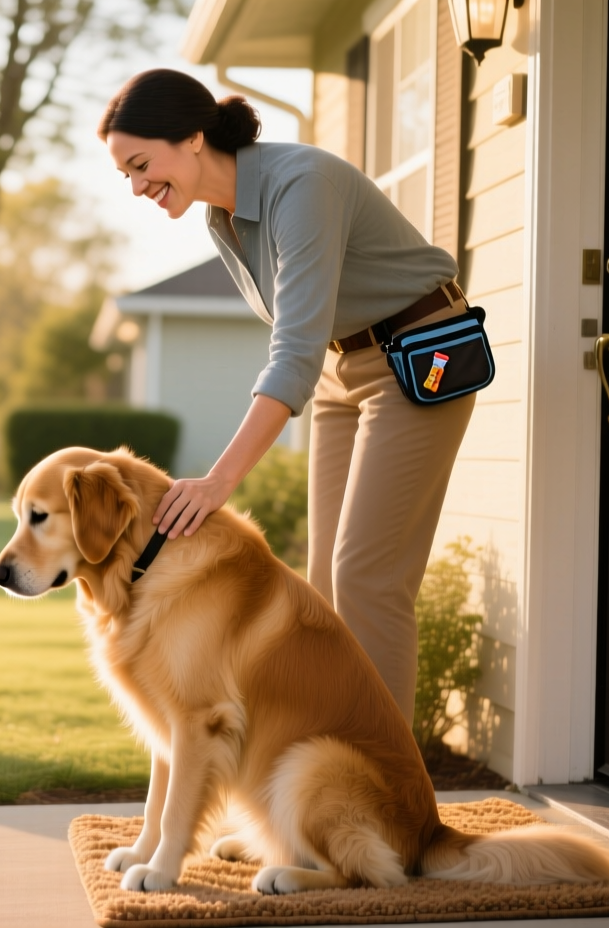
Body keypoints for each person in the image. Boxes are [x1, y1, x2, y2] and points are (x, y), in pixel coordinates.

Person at [98, 70, 475, 724]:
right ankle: (329, 785)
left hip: (420, 353)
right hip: (341, 368)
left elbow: (291, 350)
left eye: (140, 164)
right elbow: (303, 346)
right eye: (124, 175)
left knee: (367, 579)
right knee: (327, 588)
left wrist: (218, 482)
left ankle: (392, 798)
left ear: (191, 138)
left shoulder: (302, 184)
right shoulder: (223, 220)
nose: (135, 186)